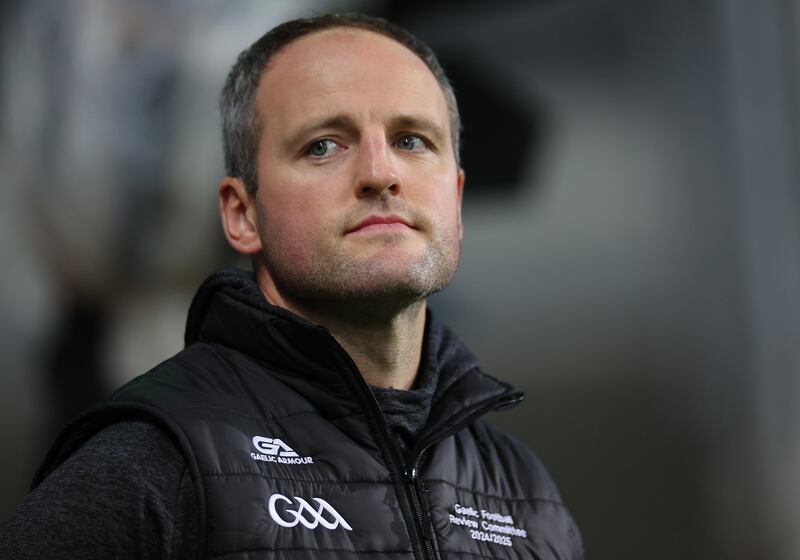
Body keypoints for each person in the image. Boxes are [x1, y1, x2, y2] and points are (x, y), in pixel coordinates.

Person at [0, 13, 583, 559]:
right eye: (323, 145)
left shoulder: (526, 494)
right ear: (242, 214)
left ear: (455, 201)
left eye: (411, 140)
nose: (381, 174)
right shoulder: (149, 463)